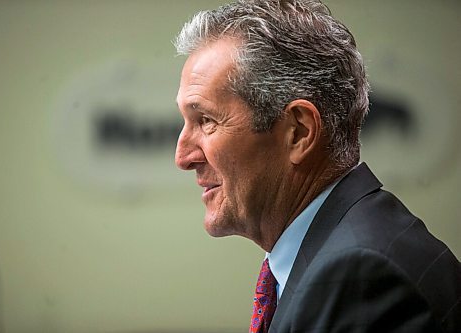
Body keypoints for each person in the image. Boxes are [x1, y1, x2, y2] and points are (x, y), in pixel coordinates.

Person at [173, 0, 460, 332]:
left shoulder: (360, 276)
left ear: (299, 131)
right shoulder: (342, 252)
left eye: (205, 120)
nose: (182, 157)